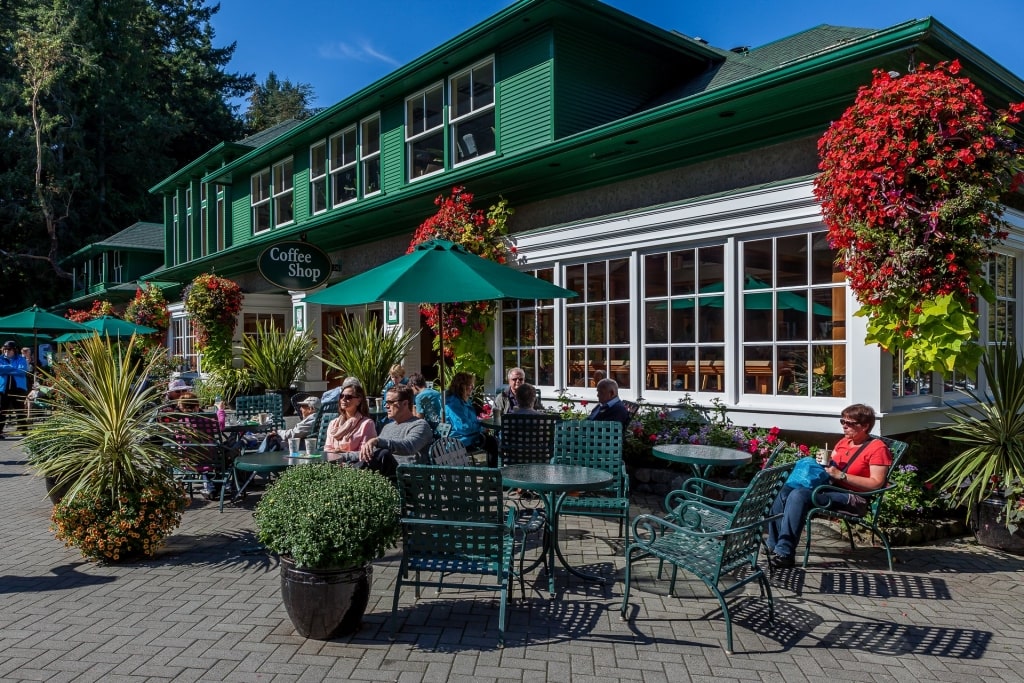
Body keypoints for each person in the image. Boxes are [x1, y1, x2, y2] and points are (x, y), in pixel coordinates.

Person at [766, 403, 893, 568]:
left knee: (799, 495)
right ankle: (774, 544)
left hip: (854, 498)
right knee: (783, 490)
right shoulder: (844, 442)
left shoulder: (877, 449)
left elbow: (876, 483)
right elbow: (832, 465)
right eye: (843, 422)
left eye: (850, 423)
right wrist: (823, 463)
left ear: (865, 426)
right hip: (830, 488)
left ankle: (785, 554)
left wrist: (841, 475)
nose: (844, 427)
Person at [359, 385, 434, 479]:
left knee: (384, 453)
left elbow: (409, 447)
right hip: (385, 476)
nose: (386, 406)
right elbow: (372, 453)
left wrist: (378, 441)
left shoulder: (420, 425)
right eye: (385, 402)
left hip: (409, 478)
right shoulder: (387, 427)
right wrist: (343, 456)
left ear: (405, 403)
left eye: (390, 402)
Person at [445, 371, 499, 466]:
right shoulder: (454, 403)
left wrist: (480, 425)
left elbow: (470, 421)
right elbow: (463, 427)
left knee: (492, 441)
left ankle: (492, 473)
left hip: (468, 436)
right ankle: (492, 474)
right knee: (492, 442)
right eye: (470, 385)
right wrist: (481, 428)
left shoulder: (464, 400)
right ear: (462, 386)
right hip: (458, 440)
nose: (473, 387)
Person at [324, 380, 377, 463]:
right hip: (333, 465)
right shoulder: (334, 424)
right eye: (342, 396)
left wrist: (342, 454)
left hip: (353, 467)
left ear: (359, 401)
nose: (343, 399)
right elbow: (327, 449)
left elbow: (364, 454)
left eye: (348, 397)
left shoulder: (367, 424)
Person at [0, 340, 29, 438]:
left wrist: (6, 370)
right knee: (2, 411)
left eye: (9, 349)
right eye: (5, 349)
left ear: (14, 350)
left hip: (18, 389)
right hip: (3, 389)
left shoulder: (21, 359)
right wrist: (12, 368)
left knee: (20, 410)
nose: (6, 351)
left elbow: (22, 371)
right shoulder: (0, 359)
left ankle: (23, 430)